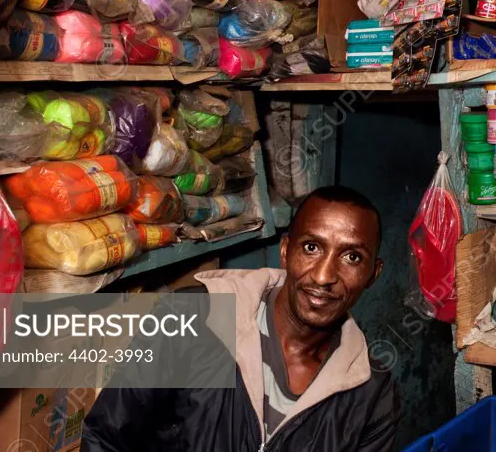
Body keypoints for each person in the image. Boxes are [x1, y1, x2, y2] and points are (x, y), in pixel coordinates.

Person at [82, 185, 399, 452]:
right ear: (286, 251)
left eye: (352, 257)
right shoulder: (190, 316)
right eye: (312, 247)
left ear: (374, 273)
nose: (324, 275)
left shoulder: (371, 392)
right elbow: (106, 438)